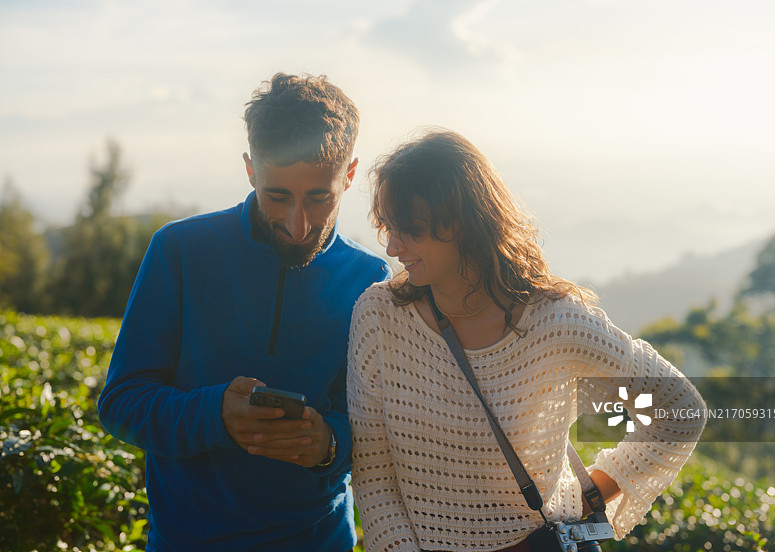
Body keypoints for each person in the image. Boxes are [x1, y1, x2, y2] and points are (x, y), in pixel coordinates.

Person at [347, 129, 706, 552]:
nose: (392, 247)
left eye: (410, 229)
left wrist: (587, 498)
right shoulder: (379, 317)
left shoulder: (556, 321)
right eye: (388, 227)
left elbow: (681, 409)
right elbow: (374, 477)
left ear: (462, 222)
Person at [98, 72, 391, 552]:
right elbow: (121, 401)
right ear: (251, 170)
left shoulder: (370, 279)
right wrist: (214, 414)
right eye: (278, 195)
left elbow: (378, 429)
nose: (299, 224)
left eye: (320, 197)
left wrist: (328, 445)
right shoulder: (179, 250)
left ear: (350, 175)